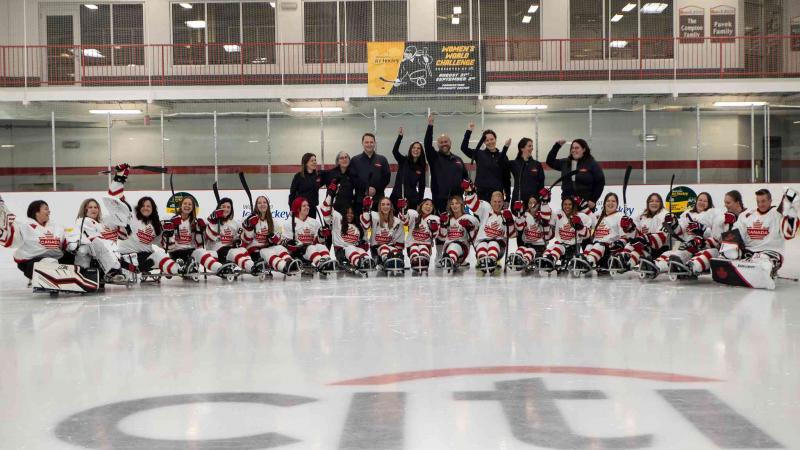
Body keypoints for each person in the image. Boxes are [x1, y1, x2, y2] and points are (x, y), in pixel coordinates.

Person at [106, 166, 183, 276]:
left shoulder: (156, 225)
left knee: (160, 255)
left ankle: (179, 270)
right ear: (138, 207)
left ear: (153, 209)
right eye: (143, 205)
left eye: (149, 206)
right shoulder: (131, 213)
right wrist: (119, 177)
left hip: (145, 259)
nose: (145, 208)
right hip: (127, 256)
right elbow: (115, 195)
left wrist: (170, 232)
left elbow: (168, 247)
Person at [716, 189, 799, 288]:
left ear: (770, 201)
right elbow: (736, 233)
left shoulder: (778, 215)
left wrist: (790, 210)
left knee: (763, 259)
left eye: (763, 201)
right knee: (728, 252)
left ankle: (764, 270)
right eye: (758, 201)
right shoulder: (747, 214)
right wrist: (728, 244)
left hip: (771, 252)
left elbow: (789, 233)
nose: (760, 204)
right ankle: (745, 270)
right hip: (749, 252)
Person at [163, 195, 237, 278]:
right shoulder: (173, 220)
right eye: (185, 203)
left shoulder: (194, 222)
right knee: (180, 264)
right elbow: (168, 247)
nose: (187, 206)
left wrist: (200, 231)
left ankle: (220, 269)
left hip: (190, 252)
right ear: (181, 205)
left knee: (201, 251)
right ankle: (178, 267)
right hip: (176, 252)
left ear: (193, 207)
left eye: (190, 204)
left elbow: (200, 243)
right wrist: (169, 232)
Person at [0, 200, 69, 279]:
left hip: (56, 259)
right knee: (49, 263)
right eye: (46, 209)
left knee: (74, 258)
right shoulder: (23, 224)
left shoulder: (56, 227)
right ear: (36, 212)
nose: (49, 211)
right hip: (30, 262)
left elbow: (65, 243)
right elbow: (10, 238)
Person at [652, 192, 716, 276]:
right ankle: (654, 264)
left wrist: (700, 229)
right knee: (668, 253)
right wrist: (673, 223)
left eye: (705, 201)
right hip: (683, 243)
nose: (701, 202)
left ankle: (660, 267)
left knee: (679, 255)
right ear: (696, 201)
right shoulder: (688, 213)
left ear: (709, 203)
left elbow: (713, 233)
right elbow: (679, 231)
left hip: (698, 246)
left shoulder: (711, 214)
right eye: (700, 200)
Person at [67, 198, 127, 283]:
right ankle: (113, 272)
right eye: (90, 207)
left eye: (95, 207)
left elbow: (122, 236)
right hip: (88, 250)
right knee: (88, 248)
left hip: (101, 254)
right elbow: (75, 238)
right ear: (85, 209)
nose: (93, 209)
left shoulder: (102, 223)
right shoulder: (82, 221)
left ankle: (113, 272)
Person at [686, 190, 745, 275]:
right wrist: (699, 231)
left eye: (728, 203)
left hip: (739, 253)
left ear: (737, 203)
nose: (725, 205)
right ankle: (690, 264)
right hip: (724, 250)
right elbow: (718, 238)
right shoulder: (724, 216)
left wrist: (734, 222)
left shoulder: (746, 216)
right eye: (725, 203)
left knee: (713, 252)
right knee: (708, 250)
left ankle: (694, 265)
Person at [573, 192, 635, 272]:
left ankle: (589, 262)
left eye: (613, 201)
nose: (610, 203)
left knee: (599, 245)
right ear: (604, 203)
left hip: (609, 249)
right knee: (589, 246)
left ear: (617, 204)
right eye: (608, 201)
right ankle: (584, 261)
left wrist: (619, 243)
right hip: (596, 246)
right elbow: (590, 215)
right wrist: (582, 205)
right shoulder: (599, 215)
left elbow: (625, 237)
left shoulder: (620, 216)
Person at [240, 195, 301, 275]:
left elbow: (279, 237)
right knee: (267, 252)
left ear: (268, 205)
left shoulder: (273, 222)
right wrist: (249, 227)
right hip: (254, 251)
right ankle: (283, 267)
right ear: (256, 206)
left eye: (264, 202)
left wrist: (276, 240)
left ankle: (291, 263)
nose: (262, 204)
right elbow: (246, 240)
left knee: (280, 248)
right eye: (259, 203)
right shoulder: (250, 219)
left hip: (267, 247)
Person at [321, 182, 375, 270]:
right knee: (350, 248)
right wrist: (330, 194)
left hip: (355, 249)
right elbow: (325, 210)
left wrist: (366, 209)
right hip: (342, 252)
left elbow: (366, 225)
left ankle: (366, 261)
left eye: (351, 213)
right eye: (347, 213)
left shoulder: (357, 224)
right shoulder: (338, 219)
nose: (349, 215)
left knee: (359, 250)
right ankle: (359, 262)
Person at [463, 181, 515, 272]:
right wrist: (470, 191)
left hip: (499, 248)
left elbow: (512, 234)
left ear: (503, 202)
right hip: (481, 243)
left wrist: (510, 221)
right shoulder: (485, 208)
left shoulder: (506, 214)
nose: (497, 204)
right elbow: (473, 205)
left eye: (499, 202)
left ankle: (491, 261)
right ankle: (483, 261)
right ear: (490, 201)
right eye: (494, 201)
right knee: (482, 245)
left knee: (493, 244)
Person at [424, 114, 469, 213]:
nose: (444, 143)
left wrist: (466, 187)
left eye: (446, 141)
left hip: (457, 200)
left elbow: (466, 177)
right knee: (442, 226)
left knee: (458, 226)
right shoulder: (434, 157)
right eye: (441, 142)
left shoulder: (458, 160)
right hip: (440, 200)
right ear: (438, 144)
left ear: (450, 142)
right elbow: (427, 144)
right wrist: (430, 125)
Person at [546, 138, 605, 212]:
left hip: (585, 205)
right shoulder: (565, 162)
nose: (573, 150)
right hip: (567, 205)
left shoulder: (592, 164)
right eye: (572, 148)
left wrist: (593, 200)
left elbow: (600, 182)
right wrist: (557, 146)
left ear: (584, 149)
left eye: (577, 148)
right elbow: (549, 161)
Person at [204, 197, 257, 275]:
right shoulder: (211, 221)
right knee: (232, 252)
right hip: (218, 252)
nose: (226, 209)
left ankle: (251, 265)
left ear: (231, 210)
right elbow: (210, 236)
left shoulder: (234, 223)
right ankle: (251, 267)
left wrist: (238, 241)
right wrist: (213, 221)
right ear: (219, 208)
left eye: (228, 207)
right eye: (223, 207)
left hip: (230, 250)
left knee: (242, 249)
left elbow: (241, 237)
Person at [460, 123, 511, 202]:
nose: (490, 142)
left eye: (492, 139)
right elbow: (464, 148)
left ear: (495, 139)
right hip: (481, 195)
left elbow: (506, 178)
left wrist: (507, 198)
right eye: (487, 140)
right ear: (484, 142)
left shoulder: (503, 156)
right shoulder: (479, 154)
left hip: (497, 196)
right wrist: (469, 131)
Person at [617, 193, 668, 271]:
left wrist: (643, 238)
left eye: (657, 201)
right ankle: (622, 258)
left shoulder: (664, 215)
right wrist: (629, 227)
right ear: (648, 203)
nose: (654, 203)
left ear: (661, 203)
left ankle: (627, 264)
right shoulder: (642, 215)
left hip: (660, 249)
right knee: (632, 243)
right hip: (644, 245)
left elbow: (661, 239)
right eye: (651, 201)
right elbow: (634, 234)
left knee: (638, 250)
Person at [283, 196, 335, 272]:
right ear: (297, 208)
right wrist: (294, 245)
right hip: (298, 252)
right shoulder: (290, 223)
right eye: (304, 206)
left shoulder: (314, 222)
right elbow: (287, 244)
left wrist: (321, 235)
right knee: (310, 248)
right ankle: (320, 264)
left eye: (308, 205)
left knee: (321, 246)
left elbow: (319, 241)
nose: (307, 207)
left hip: (311, 251)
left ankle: (327, 262)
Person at [538, 197, 591, 270]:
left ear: (573, 205)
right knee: (550, 249)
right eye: (565, 204)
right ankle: (545, 259)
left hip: (573, 248)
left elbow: (587, 234)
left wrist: (580, 226)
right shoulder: (558, 214)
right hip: (560, 244)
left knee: (557, 248)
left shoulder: (580, 216)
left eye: (569, 204)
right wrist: (544, 202)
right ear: (562, 205)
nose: (567, 206)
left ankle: (550, 260)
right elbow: (546, 215)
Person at [508, 194, 553, 270]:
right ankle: (517, 259)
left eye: (534, 202)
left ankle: (524, 261)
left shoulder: (543, 214)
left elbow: (548, 232)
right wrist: (519, 213)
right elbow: (519, 227)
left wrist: (544, 221)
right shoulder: (525, 215)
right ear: (527, 204)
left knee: (530, 251)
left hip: (539, 247)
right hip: (527, 244)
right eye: (530, 202)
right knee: (521, 248)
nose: (532, 204)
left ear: (538, 204)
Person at [350, 133, 391, 215]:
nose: (369, 144)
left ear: (375, 143)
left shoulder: (382, 159)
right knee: (362, 225)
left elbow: (386, 177)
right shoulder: (355, 160)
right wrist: (367, 188)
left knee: (379, 226)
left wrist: (376, 188)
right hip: (360, 200)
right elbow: (353, 178)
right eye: (367, 142)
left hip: (378, 201)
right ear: (362, 143)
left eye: (371, 142)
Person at [360, 196, 405, 269]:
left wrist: (403, 210)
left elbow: (399, 239)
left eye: (388, 204)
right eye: (383, 204)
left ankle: (395, 259)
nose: (385, 206)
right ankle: (387, 261)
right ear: (379, 207)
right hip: (376, 249)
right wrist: (366, 209)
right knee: (384, 247)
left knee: (394, 251)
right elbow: (365, 225)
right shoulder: (374, 216)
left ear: (391, 207)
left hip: (390, 247)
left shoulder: (396, 221)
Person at [437, 195, 479, 270]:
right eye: (452, 204)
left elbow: (473, 239)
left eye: (457, 203)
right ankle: (449, 260)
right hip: (448, 248)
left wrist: (470, 228)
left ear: (461, 204)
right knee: (452, 245)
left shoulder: (469, 218)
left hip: (463, 248)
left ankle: (449, 261)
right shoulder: (447, 218)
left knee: (454, 245)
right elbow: (442, 237)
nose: (454, 205)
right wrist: (443, 225)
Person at [389, 127, 426, 211]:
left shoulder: (421, 167)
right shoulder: (403, 161)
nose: (416, 150)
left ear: (421, 152)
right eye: (414, 147)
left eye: (418, 148)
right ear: (410, 149)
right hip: (396, 197)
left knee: (409, 223)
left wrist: (420, 203)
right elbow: (394, 151)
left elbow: (422, 186)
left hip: (412, 200)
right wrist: (400, 137)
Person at [400, 198, 439, 272]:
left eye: (431, 205)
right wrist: (403, 209)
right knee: (414, 248)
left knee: (423, 247)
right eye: (426, 204)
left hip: (426, 245)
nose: (428, 207)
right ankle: (415, 260)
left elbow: (435, 236)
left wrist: (434, 230)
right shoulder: (413, 215)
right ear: (421, 205)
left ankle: (424, 260)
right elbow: (403, 221)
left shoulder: (435, 219)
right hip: (412, 244)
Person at [508, 137, 545, 206]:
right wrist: (506, 147)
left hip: (533, 202)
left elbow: (541, 184)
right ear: (522, 148)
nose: (532, 148)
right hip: (518, 201)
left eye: (532, 146)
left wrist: (538, 198)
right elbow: (500, 163)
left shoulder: (537, 164)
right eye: (529, 146)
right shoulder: (514, 163)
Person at [289, 153, 322, 219]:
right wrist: (292, 209)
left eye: (315, 160)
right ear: (306, 163)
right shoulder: (298, 176)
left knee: (311, 228)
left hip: (312, 208)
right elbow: (292, 194)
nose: (314, 162)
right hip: (300, 209)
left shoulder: (318, 175)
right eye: (312, 161)